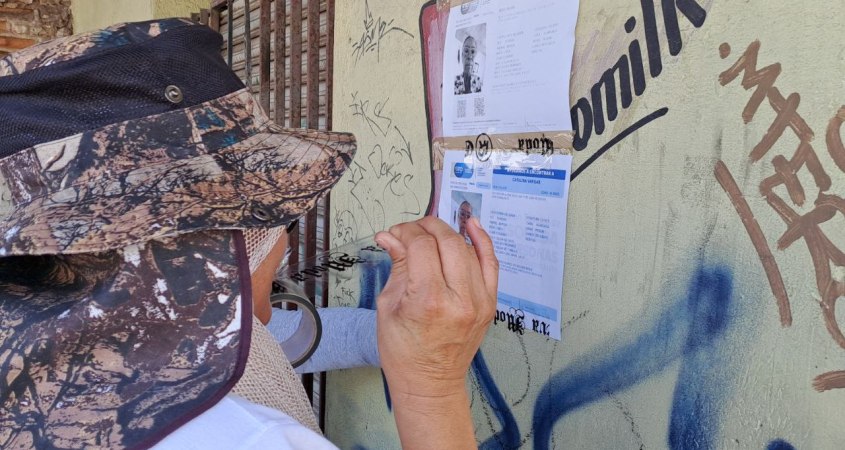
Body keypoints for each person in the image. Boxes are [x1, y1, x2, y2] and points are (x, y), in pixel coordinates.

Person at [0, 18, 498, 450]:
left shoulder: (56, 348)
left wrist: (409, 337)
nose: (285, 243)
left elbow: (284, 338)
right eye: (284, 214)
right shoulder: (249, 439)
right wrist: (431, 388)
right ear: (210, 239)